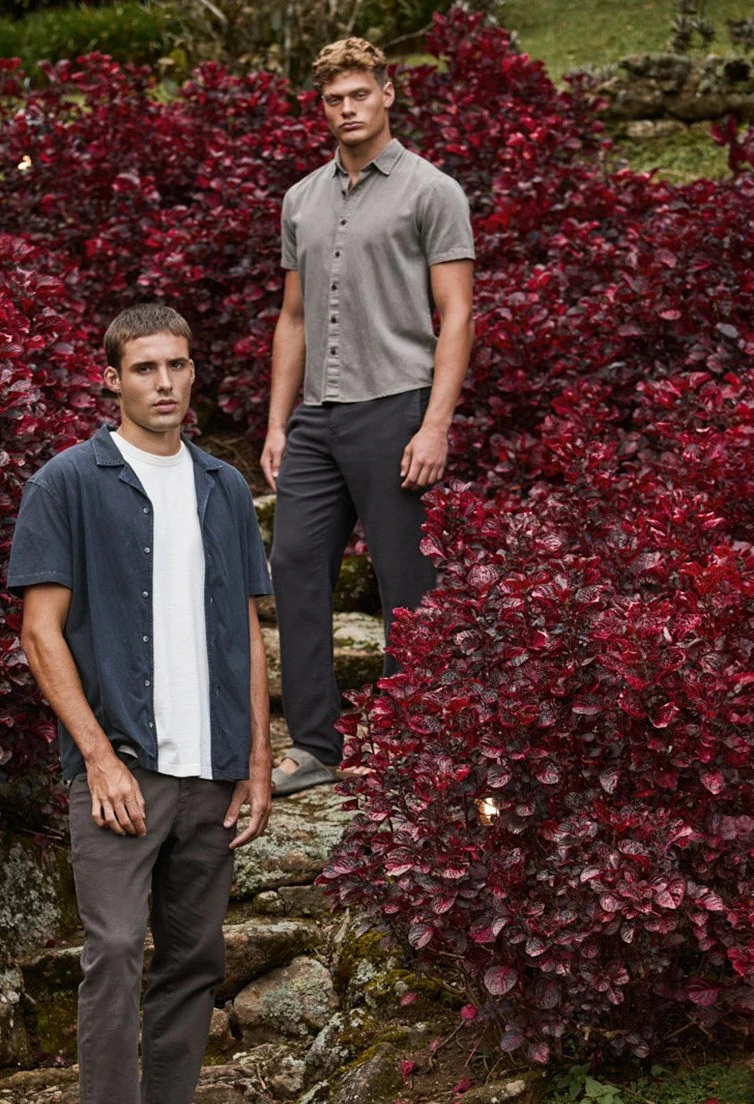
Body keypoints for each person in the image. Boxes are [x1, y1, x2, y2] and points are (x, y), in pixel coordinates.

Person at [7, 303, 273, 1104]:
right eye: (145, 368)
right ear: (111, 380)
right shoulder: (67, 483)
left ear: (194, 374)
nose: (164, 383)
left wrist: (258, 760)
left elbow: (247, 632)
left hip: (212, 771)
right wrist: (96, 756)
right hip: (121, 767)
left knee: (192, 964)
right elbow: (40, 632)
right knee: (115, 953)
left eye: (178, 366)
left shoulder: (223, 487)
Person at [262, 36, 475, 795]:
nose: (347, 109)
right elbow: (292, 318)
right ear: (320, 108)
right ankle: (315, 746)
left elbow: (457, 315)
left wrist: (435, 424)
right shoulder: (301, 199)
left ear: (387, 93)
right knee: (293, 568)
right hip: (315, 419)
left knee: (406, 585)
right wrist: (277, 424)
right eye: (334, 99)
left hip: (395, 409)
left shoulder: (432, 192)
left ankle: (404, 745)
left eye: (360, 94)